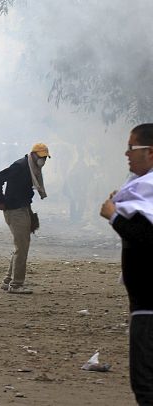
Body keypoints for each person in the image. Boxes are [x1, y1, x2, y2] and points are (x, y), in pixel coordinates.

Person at [100, 124, 153, 405]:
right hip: (143, 301)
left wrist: (114, 216)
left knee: (145, 383)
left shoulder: (150, 188)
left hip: (149, 305)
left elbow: (146, 238)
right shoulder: (143, 189)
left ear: (150, 152)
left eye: (132, 148)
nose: (126, 154)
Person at [0, 143, 50, 294]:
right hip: (15, 210)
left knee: (20, 246)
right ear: (33, 154)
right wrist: (1, 199)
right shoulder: (20, 166)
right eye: (41, 156)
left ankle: (8, 281)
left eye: (45, 157)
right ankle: (16, 284)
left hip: (23, 208)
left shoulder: (32, 168)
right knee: (22, 248)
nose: (43, 160)